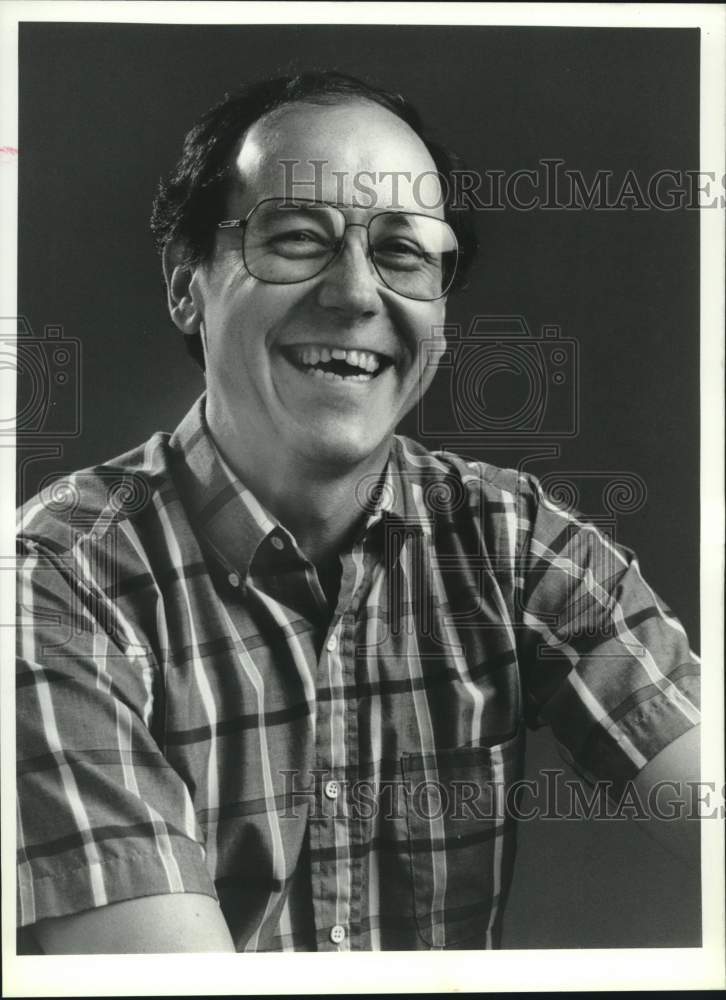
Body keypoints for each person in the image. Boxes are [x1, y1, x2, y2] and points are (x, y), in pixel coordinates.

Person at [16, 72, 700, 954]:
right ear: (188, 285)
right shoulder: (54, 587)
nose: (355, 293)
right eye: (299, 238)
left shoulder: (513, 541)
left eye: (404, 253)